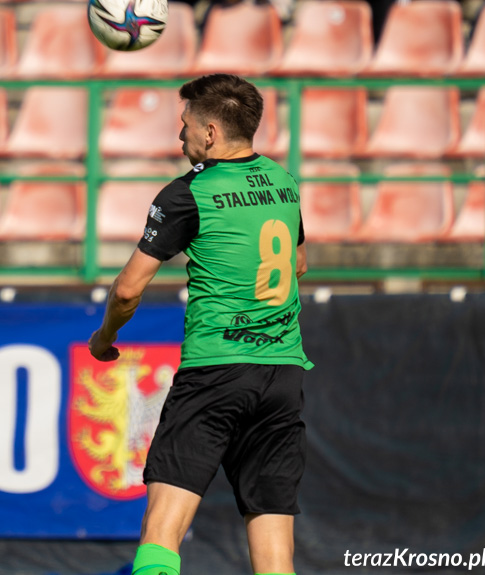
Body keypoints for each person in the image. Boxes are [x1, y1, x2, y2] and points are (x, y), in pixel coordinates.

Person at [89, 74, 312, 575]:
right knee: (275, 547)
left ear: (210, 132)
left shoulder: (187, 194)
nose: (179, 135)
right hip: (282, 372)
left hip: (215, 370)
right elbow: (297, 265)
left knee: (162, 528)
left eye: (185, 124)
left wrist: (105, 339)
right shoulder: (283, 181)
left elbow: (128, 289)